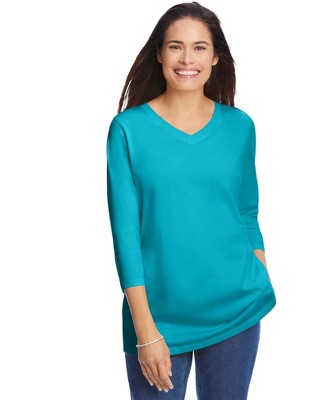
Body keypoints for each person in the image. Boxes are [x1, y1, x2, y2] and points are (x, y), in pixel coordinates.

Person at [106, 2, 276, 399]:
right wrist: (145, 331)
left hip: (236, 309)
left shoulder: (239, 126)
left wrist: (259, 268)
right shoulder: (128, 130)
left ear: (215, 57)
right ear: (160, 54)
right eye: (175, 46)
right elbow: (125, 233)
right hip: (158, 318)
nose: (187, 59)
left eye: (200, 47)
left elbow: (246, 210)